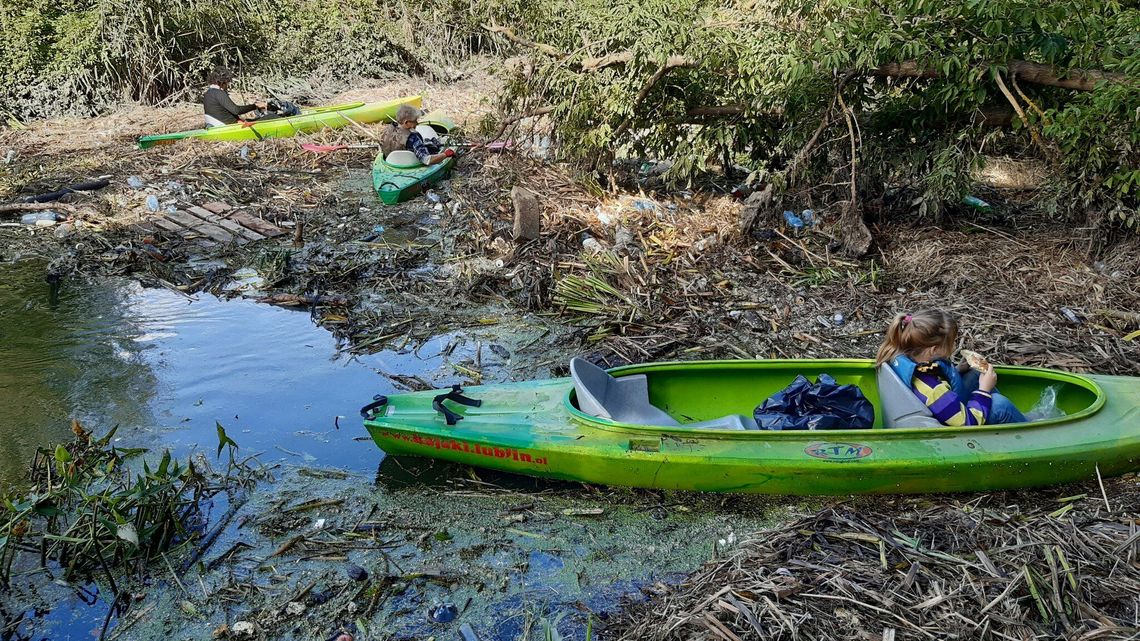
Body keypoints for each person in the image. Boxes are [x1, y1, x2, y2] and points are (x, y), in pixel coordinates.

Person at [875, 309, 1027, 425]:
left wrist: (957, 371)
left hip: (942, 408)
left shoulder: (901, 354)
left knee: (974, 375)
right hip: (955, 432)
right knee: (1000, 405)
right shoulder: (933, 390)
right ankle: (1027, 430)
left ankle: (1017, 417)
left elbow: (934, 378)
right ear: (934, 350)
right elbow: (967, 423)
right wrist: (984, 390)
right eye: (952, 342)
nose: (954, 346)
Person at [379, 104, 455, 166]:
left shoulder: (386, 130)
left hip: (390, 164)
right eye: (415, 121)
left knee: (430, 143)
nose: (417, 123)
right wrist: (445, 154)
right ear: (406, 122)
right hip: (410, 166)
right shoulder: (413, 138)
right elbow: (427, 160)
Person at [202, 66, 267, 128]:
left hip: (216, 123)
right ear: (223, 82)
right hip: (226, 126)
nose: (227, 86)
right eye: (227, 83)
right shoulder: (219, 93)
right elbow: (236, 110)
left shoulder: (208, 93)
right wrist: (255, 106)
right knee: (269, 117)